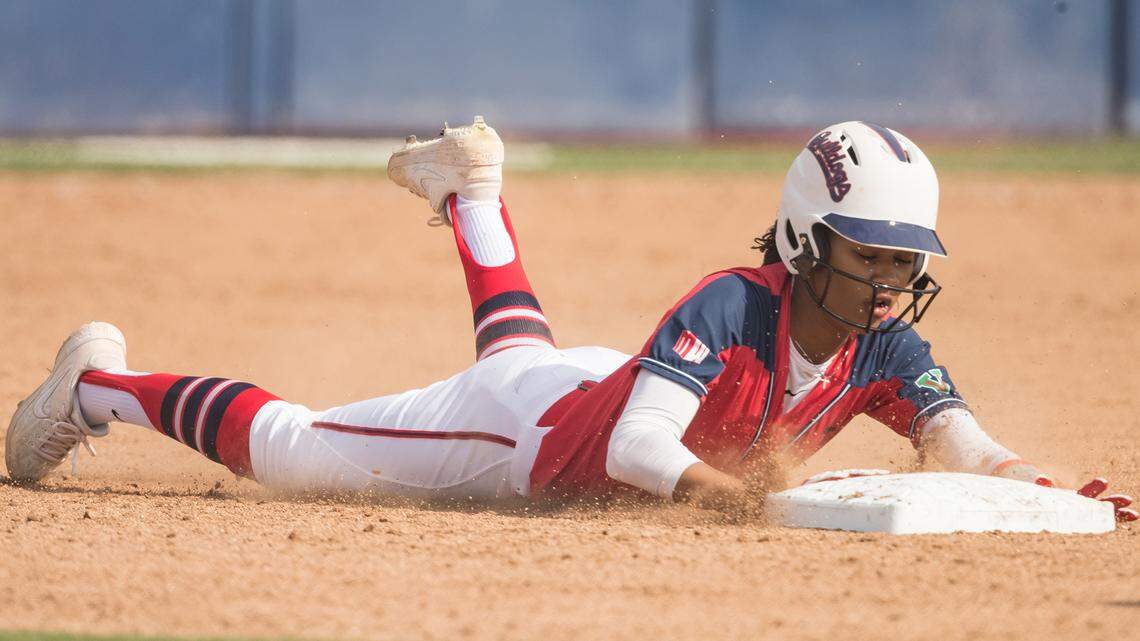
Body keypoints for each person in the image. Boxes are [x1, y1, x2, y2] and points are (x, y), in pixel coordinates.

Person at [5, 117, 1134, 522]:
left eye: (905, 261)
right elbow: (642, 450)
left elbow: (955, 436)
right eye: (870, 254)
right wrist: (736, 501)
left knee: (530, 354)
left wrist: (1034, 489)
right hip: (522, 439)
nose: (890, 282)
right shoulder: (733, 306)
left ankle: (476, 197)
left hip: (592, 387)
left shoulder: (883, 341)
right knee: (295, 450)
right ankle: (97, 385)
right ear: (804, 238)